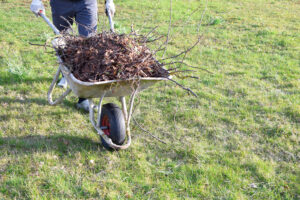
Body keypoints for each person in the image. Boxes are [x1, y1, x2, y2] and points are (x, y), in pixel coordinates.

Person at [30, 0, 115, 111]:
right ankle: (67, 75)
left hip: (86, 2)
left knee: (89, 46)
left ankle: (84, 98)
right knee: (64, 43)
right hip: (60, 3)